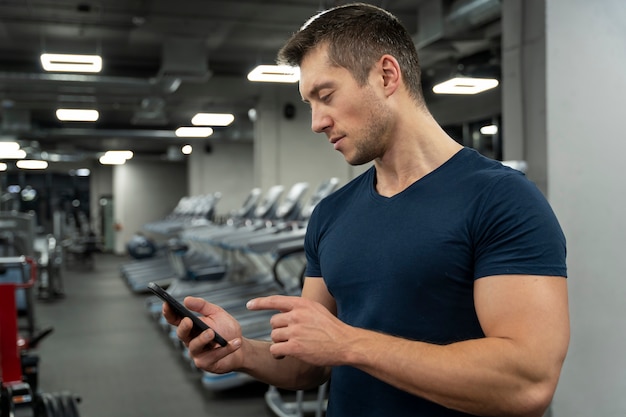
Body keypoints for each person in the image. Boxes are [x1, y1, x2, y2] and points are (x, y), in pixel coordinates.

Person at [163, 3, 569, 417]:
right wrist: (240, 352)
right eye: (309, 103)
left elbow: (527, 383)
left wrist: (349, 344)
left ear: (386, 75)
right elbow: (311, 363)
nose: (317, 122)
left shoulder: (502, 200)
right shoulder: (331, 214)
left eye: (326, 96)